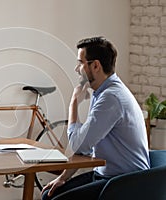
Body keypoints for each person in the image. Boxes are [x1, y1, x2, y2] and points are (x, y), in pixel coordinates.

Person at [41, 36, 150, 200]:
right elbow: (86, 146)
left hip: (126, 183)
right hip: (107, 176)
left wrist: (74, 103)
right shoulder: (102, 93)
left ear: (96, 65)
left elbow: (78, 145)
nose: (77, 69)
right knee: (50, 193)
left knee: (51, 198)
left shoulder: (111, 98)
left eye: (80, 63)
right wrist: (63, 177)